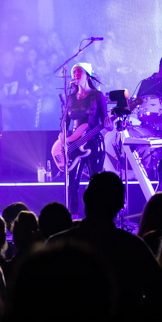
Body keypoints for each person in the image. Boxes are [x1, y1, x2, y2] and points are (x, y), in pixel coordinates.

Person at [60, 62, 107, 214]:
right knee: (72, 184)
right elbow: (64, 123)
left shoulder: (97, 96)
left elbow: (106, 120)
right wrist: (63, 141)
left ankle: (97, 217)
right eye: (74, 72)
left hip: (94, 143)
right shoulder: (71, 97)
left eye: (79, 71)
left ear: (87, 74)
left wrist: (110, 125)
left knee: (96, 184)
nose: (75, 74)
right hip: (74, 144)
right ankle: (73, 218)